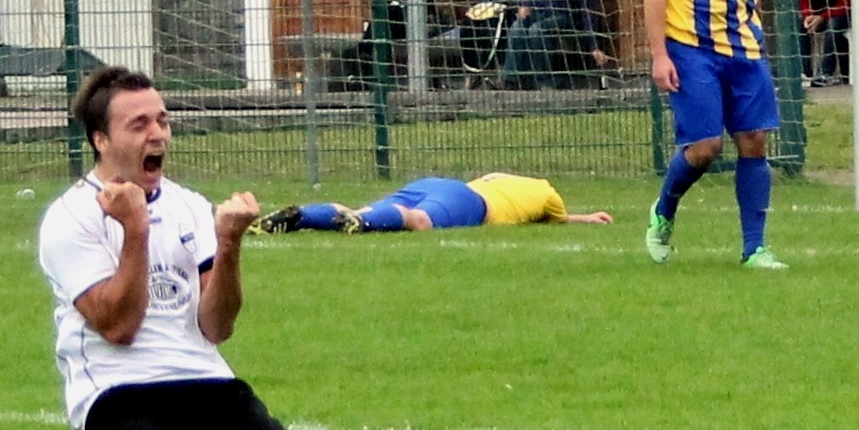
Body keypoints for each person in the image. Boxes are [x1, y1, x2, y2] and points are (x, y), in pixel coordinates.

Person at [37, 65, 332, 430]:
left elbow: (217, 326)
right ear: (101, 139)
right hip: (121, 393)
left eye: (162, 120)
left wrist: (230, 243)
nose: (158, 135)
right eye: (139, 125)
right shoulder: (70, 217)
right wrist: (135, 230)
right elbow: (118, 327)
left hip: (206, 383)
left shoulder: (189, 206)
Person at [642, 0, 787, 270]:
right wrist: (660, 55)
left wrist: (755, 30)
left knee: (754, 140)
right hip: (690, 47)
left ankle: (754, 248)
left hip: (743, 46)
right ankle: (664, 211)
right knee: (705, 148)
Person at [254, 172, 613, 234]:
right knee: (418, 220)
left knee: (360, 209)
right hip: (470, 201)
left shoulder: (499, 177)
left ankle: (304, 216)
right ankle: (363, 225)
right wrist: (584, 219)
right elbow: (556, 219)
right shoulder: (547, 193)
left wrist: (584, 218)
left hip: (435, 184)